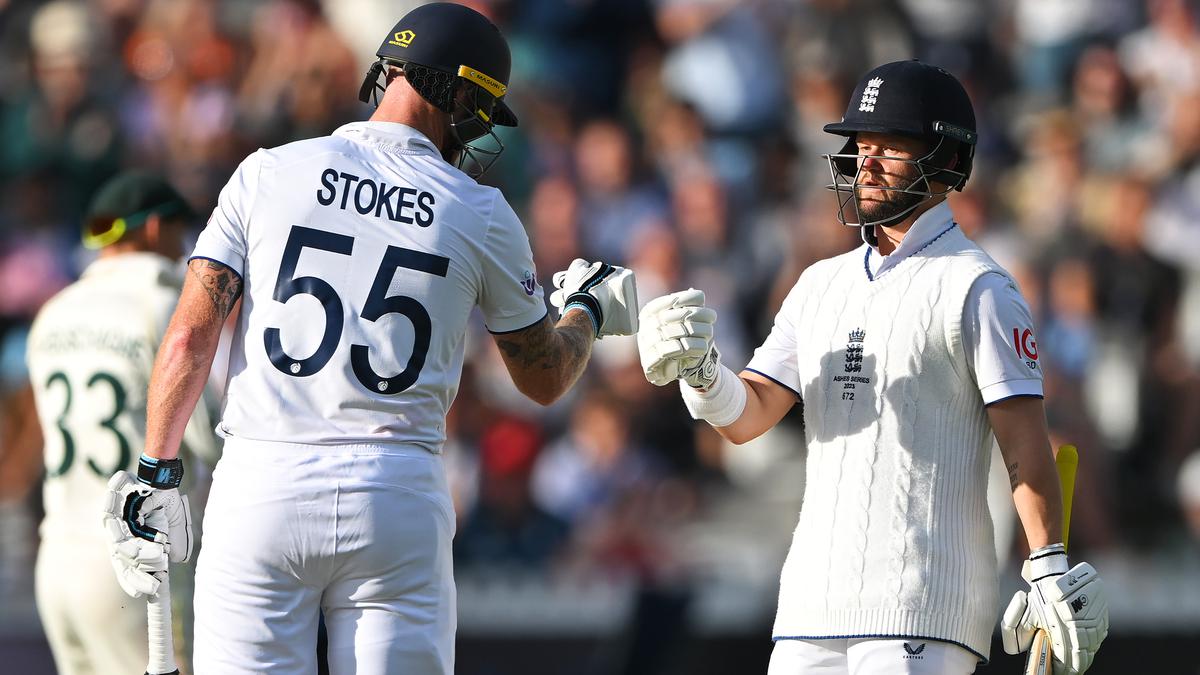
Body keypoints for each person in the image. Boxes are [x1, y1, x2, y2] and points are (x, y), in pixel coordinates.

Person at [101, 3, 637, 674]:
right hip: (393, 490)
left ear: (387, 72)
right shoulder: (478, 210)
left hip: (262, 482)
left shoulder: (268, 170)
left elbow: (189, 339)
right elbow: (544, 377)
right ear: (464, 92)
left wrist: (155, 474)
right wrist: (585, 309)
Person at [637, 60, 1109, 675]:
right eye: (862, 146)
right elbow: (747, 417)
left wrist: (1046, 564)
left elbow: (1025, 445)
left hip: (923, 610)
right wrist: (700, 369)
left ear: (945, 160)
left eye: (890, 147)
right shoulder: (818, 284)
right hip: (811, 608)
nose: (866, 162)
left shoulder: (978, 286)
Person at [27, 171, 222, 675]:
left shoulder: (53, 312)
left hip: (57, 560)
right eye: (180, 230)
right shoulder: (160, 307)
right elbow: (211, 439)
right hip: (132, 564)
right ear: (155, 229)